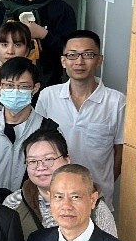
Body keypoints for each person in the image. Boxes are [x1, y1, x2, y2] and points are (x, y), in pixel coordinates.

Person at [34, 30, 126, 198]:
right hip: (54, 196)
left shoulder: (116, 101)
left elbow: (121, 152)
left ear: (99, 60)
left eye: (88, 55)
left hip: (96, 197)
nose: (79, 61)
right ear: (63, 61)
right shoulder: (48, 96)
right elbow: (38, 145)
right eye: (72, 55)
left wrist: (104, 185)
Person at [4, 128, 118, 240]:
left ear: (67, 160)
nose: (40, 167)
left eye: (48, 159)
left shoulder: (95, 207)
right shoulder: (14, 202)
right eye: (32, 161)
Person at [0, 58, 53, 198]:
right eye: (9, 85)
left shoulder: (49, 131)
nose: (15, 92)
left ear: (35, 88)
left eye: (23, 86)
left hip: (31, 207)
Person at [0, 0, 78, 86]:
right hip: (7, 84)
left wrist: (43, 35)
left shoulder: (62, 10)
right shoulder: (2, 9)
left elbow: (70, 52)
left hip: (49, 84)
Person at [0, 20, 34, 88]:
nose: (10, 51)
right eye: (4, 44)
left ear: (27, 49)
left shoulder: (39, 80)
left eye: (17, 45)